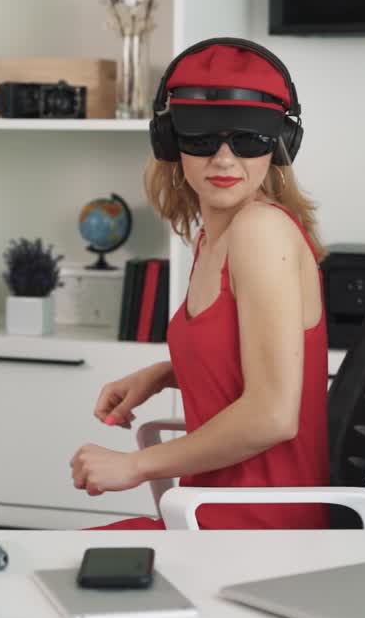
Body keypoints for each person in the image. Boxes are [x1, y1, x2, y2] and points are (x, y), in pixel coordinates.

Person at [68, 37, 331, 530]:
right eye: (201, 137)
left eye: (249, 139)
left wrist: (134, 466)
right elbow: (247, 354)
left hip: (257, 533)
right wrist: (166, 372)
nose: (225, 158)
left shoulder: (259, 230)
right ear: (169, 141)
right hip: (206, 519)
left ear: (279, 145)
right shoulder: (216, 236)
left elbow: (274, 414)